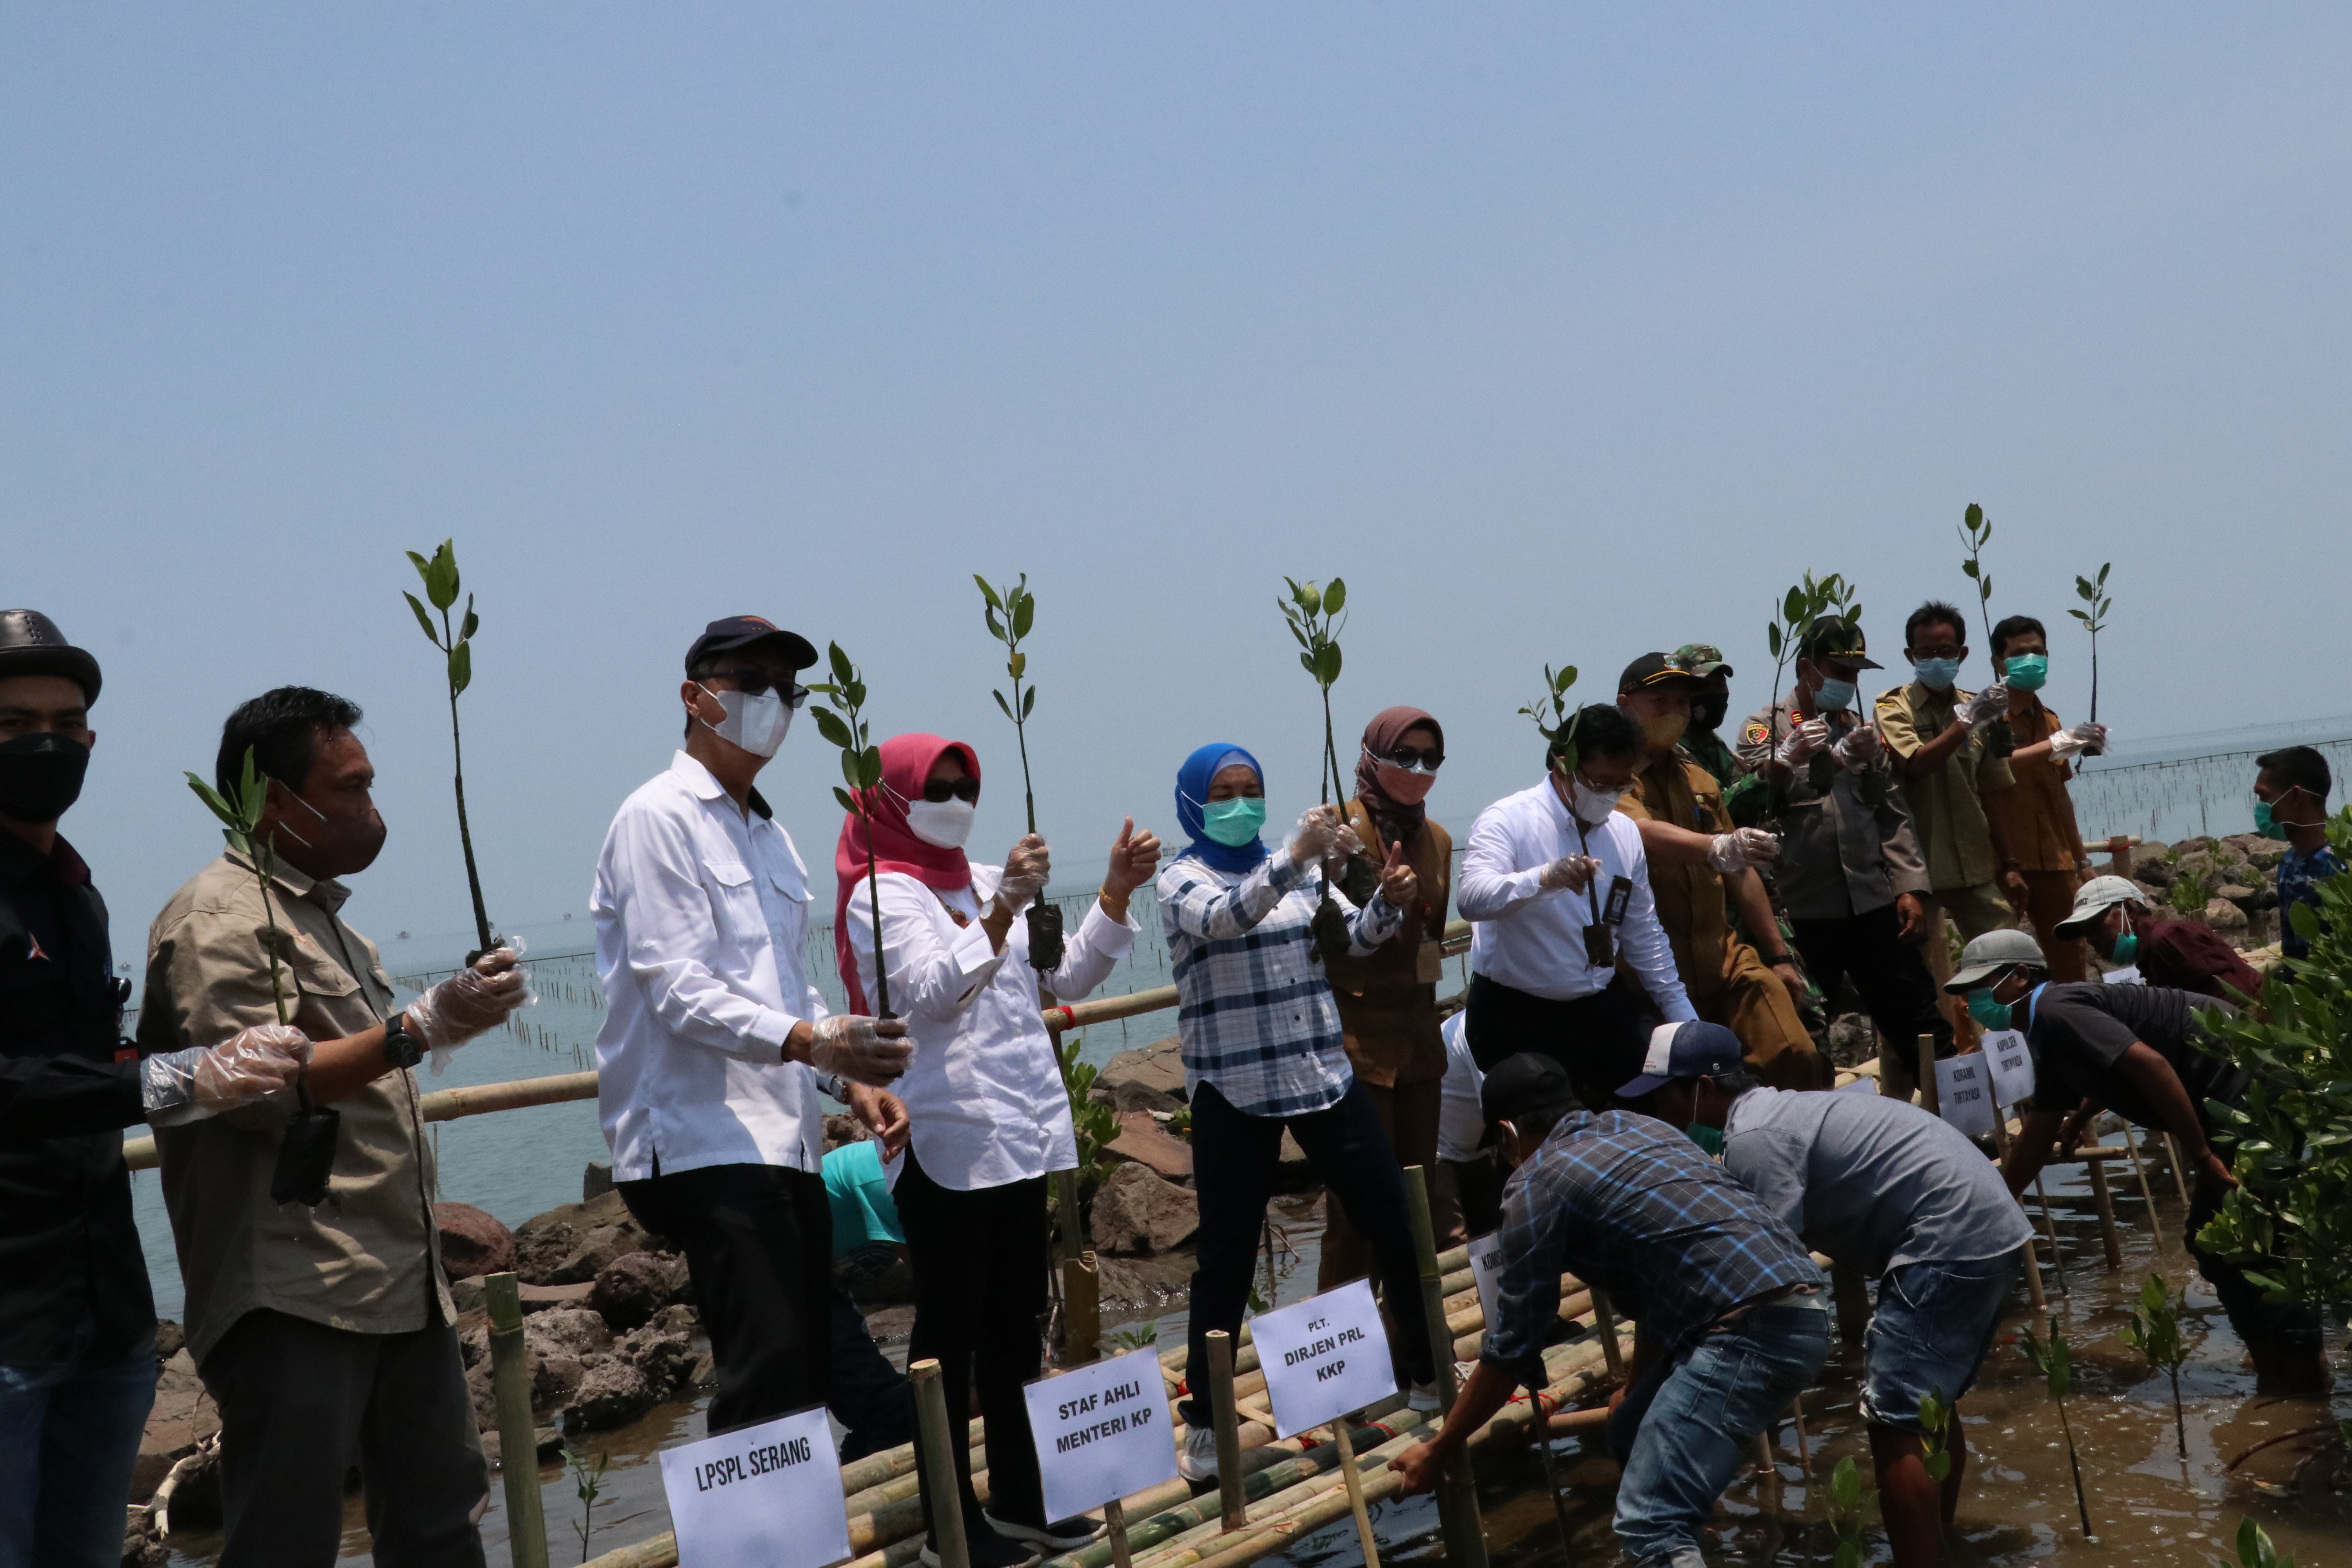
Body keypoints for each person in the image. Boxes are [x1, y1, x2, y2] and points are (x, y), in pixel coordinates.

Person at [140, 688, 532, 1566]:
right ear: (276, 799)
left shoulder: (327, 919)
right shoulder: (220, 918)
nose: (370, 808)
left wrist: (449, 1018)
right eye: (348, 788)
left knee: (441, 1520)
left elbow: (362, 1068)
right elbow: (258, 1090)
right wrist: (417, 1028)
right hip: (294, 1283)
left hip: (395, 1270)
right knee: (287, 1537)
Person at [0, 613, 309, 1568]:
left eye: (65, 720)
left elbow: (99, 1066)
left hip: (103, 1314)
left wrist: (191, 1066)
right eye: (14, 722)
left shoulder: (78, 896)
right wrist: (181, 1079)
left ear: (91, 740)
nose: (45, 740)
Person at [838, 733, 1160, 1566]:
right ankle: (952, 1517)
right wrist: (1003, 910)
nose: (954, 797)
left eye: (965, 783)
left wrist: (1116, 895)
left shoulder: (986, 881)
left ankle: (1021, 1493)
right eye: (935, 785)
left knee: (1020, 1324)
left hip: (1020, 1131)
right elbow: (924, 994)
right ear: (890, 798)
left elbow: (1063, 979)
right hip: (944, 1136)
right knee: (947, 1328)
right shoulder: (881, 894)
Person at [592, 617, 912, 1443]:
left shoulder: (772, 833)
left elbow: (789, 985)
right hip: (701, 1140)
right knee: (768, 1382)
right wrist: (815, 1042)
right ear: (697, 696)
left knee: (838, 1360)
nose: (772, 702)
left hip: (782, 1140)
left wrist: (851, 1079)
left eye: (786, 689)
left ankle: (909, 1511)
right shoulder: (655, 816)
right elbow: (679, 991)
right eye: (751, 680)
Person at [1390, 1050, 1829, 1568]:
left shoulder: (1536, 1183)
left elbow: (1512, 1347)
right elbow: (1656, 1289)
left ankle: (1675, 1543)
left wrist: (1438, 1447)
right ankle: (1705, 1544)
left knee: (1649, 1521)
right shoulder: (1644, 1128)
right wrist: (1638, 1382)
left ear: (1507, 1134)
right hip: (1805, 1306)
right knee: (1630, 1426)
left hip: (1746, 1332)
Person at [1626, 1025, 2033, 1568]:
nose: (1660, 1112)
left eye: (1663, 1097)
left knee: (1894, 1420)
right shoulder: (1780, 1112)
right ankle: (1942, 1544)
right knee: (1930, 1408)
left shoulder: (1753, 1140)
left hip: (1945, 1239)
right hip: (1990, 1228)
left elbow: (1755, 1271)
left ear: (1703, 1088)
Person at [1157, 743, 1436, 1481]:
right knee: (1226, 1259)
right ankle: (1209, 1425)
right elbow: (1226, 919)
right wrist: (1290, 854)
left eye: (1252, 788)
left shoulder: (1305, 867)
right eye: (1224, 791)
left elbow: (1354, 935)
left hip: (1318, 1071)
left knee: (1395, 1221)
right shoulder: (1180, 878)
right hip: (1233, 1088)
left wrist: (1390, 901)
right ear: (1194, 802)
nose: (1240, 801)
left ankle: (1428, 1371)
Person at [1952, 929, 2328, 1393]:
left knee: (2251, 1241)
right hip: (2236, 1095)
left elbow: (2152, 1066)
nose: (1974, 1000)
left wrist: (2204, 1155)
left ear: (2021, 976)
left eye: (1981, 985)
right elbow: (2041, 1127)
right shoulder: (2045, 1027)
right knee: (2224, 1243)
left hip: (2249, 1093)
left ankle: (2304, 1384)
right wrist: (2001, 1203)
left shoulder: (2055, 1010)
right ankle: (2278, 1375)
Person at [1737, 615, 1952, 1091]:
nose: (1847, 683)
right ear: (1806, 668)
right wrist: (1790, 759)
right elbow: (1748, 802)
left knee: (1923, 1023)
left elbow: (1891, 814)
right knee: (1806, 1038)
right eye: (1838, 671)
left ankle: (1966, 1128)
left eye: (1855, 674)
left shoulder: (1860, 732)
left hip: (1872, 903)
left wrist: (1910, 886)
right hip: (1803, 910)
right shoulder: (1764, 729)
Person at [1458, 704, 1697, 1107]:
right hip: (1518, 1014)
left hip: (1600, 1006)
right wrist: (1541, 878)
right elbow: (1472, 898)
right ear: (1563, 766)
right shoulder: (1508, 819)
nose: (1609, 797)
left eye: (1621, 786)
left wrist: (1685, 1019)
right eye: (1600, 783)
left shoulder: (1623, 833)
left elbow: (1644, 934)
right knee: (1549, 1130)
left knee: (1668, 1094)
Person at [1613, 653, 1821, 1088]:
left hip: (1725, 962)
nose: (1675, 712)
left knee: (1795, 1053)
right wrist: (1718, 846)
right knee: (1682, 1094)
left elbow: (1739, 872)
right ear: (1626, 704)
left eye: (1683, 703)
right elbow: (1641, 831)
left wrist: (1780, 956)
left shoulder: (1700, 780)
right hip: (1651, 979)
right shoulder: (1611, 777)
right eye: (1661, 701)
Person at [1318, 706, 1453, 1292]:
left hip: (1420, 1041)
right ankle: (1339, 1351)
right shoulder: (1333, 827)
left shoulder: (1440, 839)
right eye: (1405, 757)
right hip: (1354, 1044)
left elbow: (1433, 933)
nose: (1418, 770)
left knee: (1420, 1198)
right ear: (1371, 757)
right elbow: (1319, 931)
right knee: (1355, 1211)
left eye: (1431, 759)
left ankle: (1413, 1340)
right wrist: (1350, 866)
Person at [1874, 602, 2027, 1054]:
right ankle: (1930, 1097)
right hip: (1917, 875)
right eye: (1926, 651)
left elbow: (1995, 791)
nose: (1936, 659)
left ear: (1962, 654)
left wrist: (2012, 863)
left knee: (2010, 966)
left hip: (1976, 867)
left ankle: (2021, 1081)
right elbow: (1917, 764)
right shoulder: (1893, 707)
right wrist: (1966, 723)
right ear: (1910, 656)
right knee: (1925, 996)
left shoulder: (1980, 709)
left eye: (1945, 650)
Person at [1980, 615, 2109, 982]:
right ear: (1999, 663)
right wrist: (2054, 746)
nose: (2031, 660)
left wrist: (2082, 859)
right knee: (1997, 963)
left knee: (2070, 957)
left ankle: (2071, 1032)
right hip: (2004, 864)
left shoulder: (2050, 720)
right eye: (2020, 653)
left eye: (2037, 652)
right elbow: (1996, 767)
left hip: (2054, 861)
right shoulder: (1986, 717)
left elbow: (2059, 794)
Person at [818, 1139, 918, 1465]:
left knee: (877, 1403)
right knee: (891, 1407)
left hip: (821, 1275)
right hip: (784, 1274)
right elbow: (931, 1288)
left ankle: (859, 1461)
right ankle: (864, 1491)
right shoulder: (884, 1177)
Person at [2053, 875, 2265, 1002]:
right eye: (2086, 933)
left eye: (2096, 926)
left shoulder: (2167, 939)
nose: (2091, 940)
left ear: (2130, 909)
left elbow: (2238, 997)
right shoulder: (2150, 954)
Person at [2254, 745, 2340, 963]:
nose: (2261, 808)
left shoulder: (2339, 864)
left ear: (2295, 795)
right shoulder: (2288, 862)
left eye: (2265, 797)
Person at [1428, 1010, 1501, 1245]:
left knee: (1493, 1239)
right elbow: (1501, 1108)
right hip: (1438, 1150)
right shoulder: (1479, 1029)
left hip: (1476, 1147)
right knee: (1453, 1244)